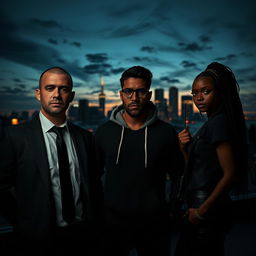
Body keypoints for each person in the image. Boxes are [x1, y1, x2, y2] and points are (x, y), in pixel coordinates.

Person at [0, 67, 103, 255]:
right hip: (37, 238)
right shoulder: (14, 136)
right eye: (50, 88)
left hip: (82, 236)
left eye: (63, 89)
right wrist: (23, 222)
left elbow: (94, 185)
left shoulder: (85, 138)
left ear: (71, 96)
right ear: (38, 94)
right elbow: (2, 187)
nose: (56, 95)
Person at [95, 66, 184, 256]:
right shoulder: (103, 132)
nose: (134, 98)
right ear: (121, 94)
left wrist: (171, 208)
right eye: (129, 91)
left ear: (149, 94)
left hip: (155, 223)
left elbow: (178, 174)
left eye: (141, 91)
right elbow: (92, 176)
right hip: (113, 223)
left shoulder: (166, 132)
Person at [175, 62, 248, 256]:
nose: (198, 98)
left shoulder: (218, 123)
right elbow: (202, 167)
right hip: (202, 209)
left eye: (205, 91)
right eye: (194, 93)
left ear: (220, 92)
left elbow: (230, 173)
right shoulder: (213, 123)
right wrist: (184, 148)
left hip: (206, 211)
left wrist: (201, 212)